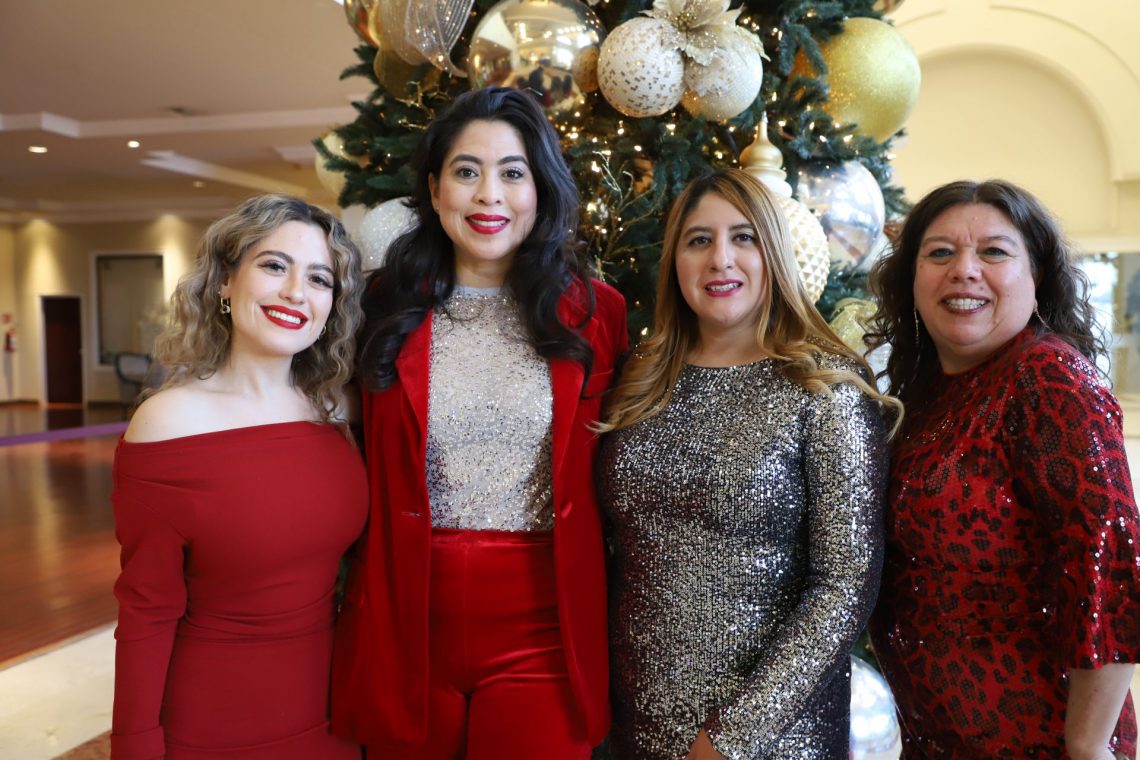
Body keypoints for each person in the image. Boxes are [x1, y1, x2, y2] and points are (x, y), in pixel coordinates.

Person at [330, 86, 628, 758]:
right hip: (404, 623)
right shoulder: (378, 306)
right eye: (467, 171)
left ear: (540, 190)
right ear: (435, 190)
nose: (489, 195)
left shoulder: (597, 312)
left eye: (512, 172)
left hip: (545, 631)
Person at [597, 168, 897, 759]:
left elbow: (843, 585)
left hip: (772, 737)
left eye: (744, 238)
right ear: (675, 260)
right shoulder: (639, 381)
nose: (720, 259)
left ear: (774, 254)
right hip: (638, 725)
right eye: (699, 240)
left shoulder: (825, 387)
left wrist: (731, 739)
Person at [865, 179, 1140, 758]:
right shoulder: (924, 395)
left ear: (1035, 276)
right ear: (912, 279)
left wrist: (1088, 745)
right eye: (940, 252)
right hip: (938, 738)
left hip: (1040, 739)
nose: (964, 270)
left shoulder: (1050, 379)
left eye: (993, 251)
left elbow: (1109, 565)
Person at [110, 195, 367, 759]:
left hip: (334, 715)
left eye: (319, 278)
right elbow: (147, 609)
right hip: (213, 725)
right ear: (226, 280)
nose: (296, 292)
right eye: (274, 266)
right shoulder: (168, 422)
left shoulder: (338, 412)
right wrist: (134, 746)